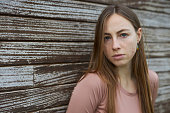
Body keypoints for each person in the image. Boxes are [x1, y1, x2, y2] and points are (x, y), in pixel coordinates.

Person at [66, 4, 159, 113]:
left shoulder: (150, 80)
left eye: (123, 35)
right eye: (107, 38)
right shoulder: (93, 84)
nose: (115, 46)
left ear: (138, 35)